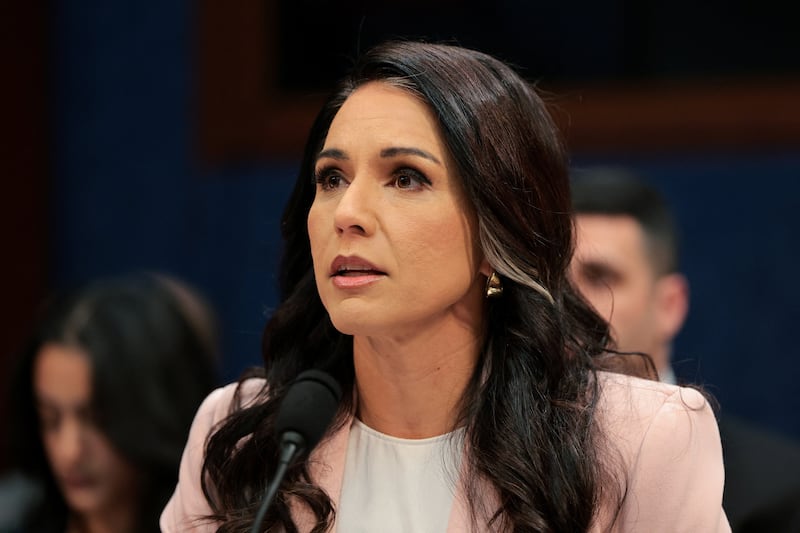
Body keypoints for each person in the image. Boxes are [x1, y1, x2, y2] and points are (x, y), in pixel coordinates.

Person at [162, 40, 730, 532]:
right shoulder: (243, 438)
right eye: (331, 178)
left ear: (496, 233)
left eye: (406, 177)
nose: (347, 213)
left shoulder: (637, 443)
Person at [569, 167, 800, 532]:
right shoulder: (492, 461)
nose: (569, 303)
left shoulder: (776, 491)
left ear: (669, 306)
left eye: (600, 278)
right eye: (554, 281)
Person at [2, 272, 219, 533]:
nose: (69, 452)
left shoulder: (211, 522)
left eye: (97, 420)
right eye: (50, 420)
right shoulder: (14, 519)